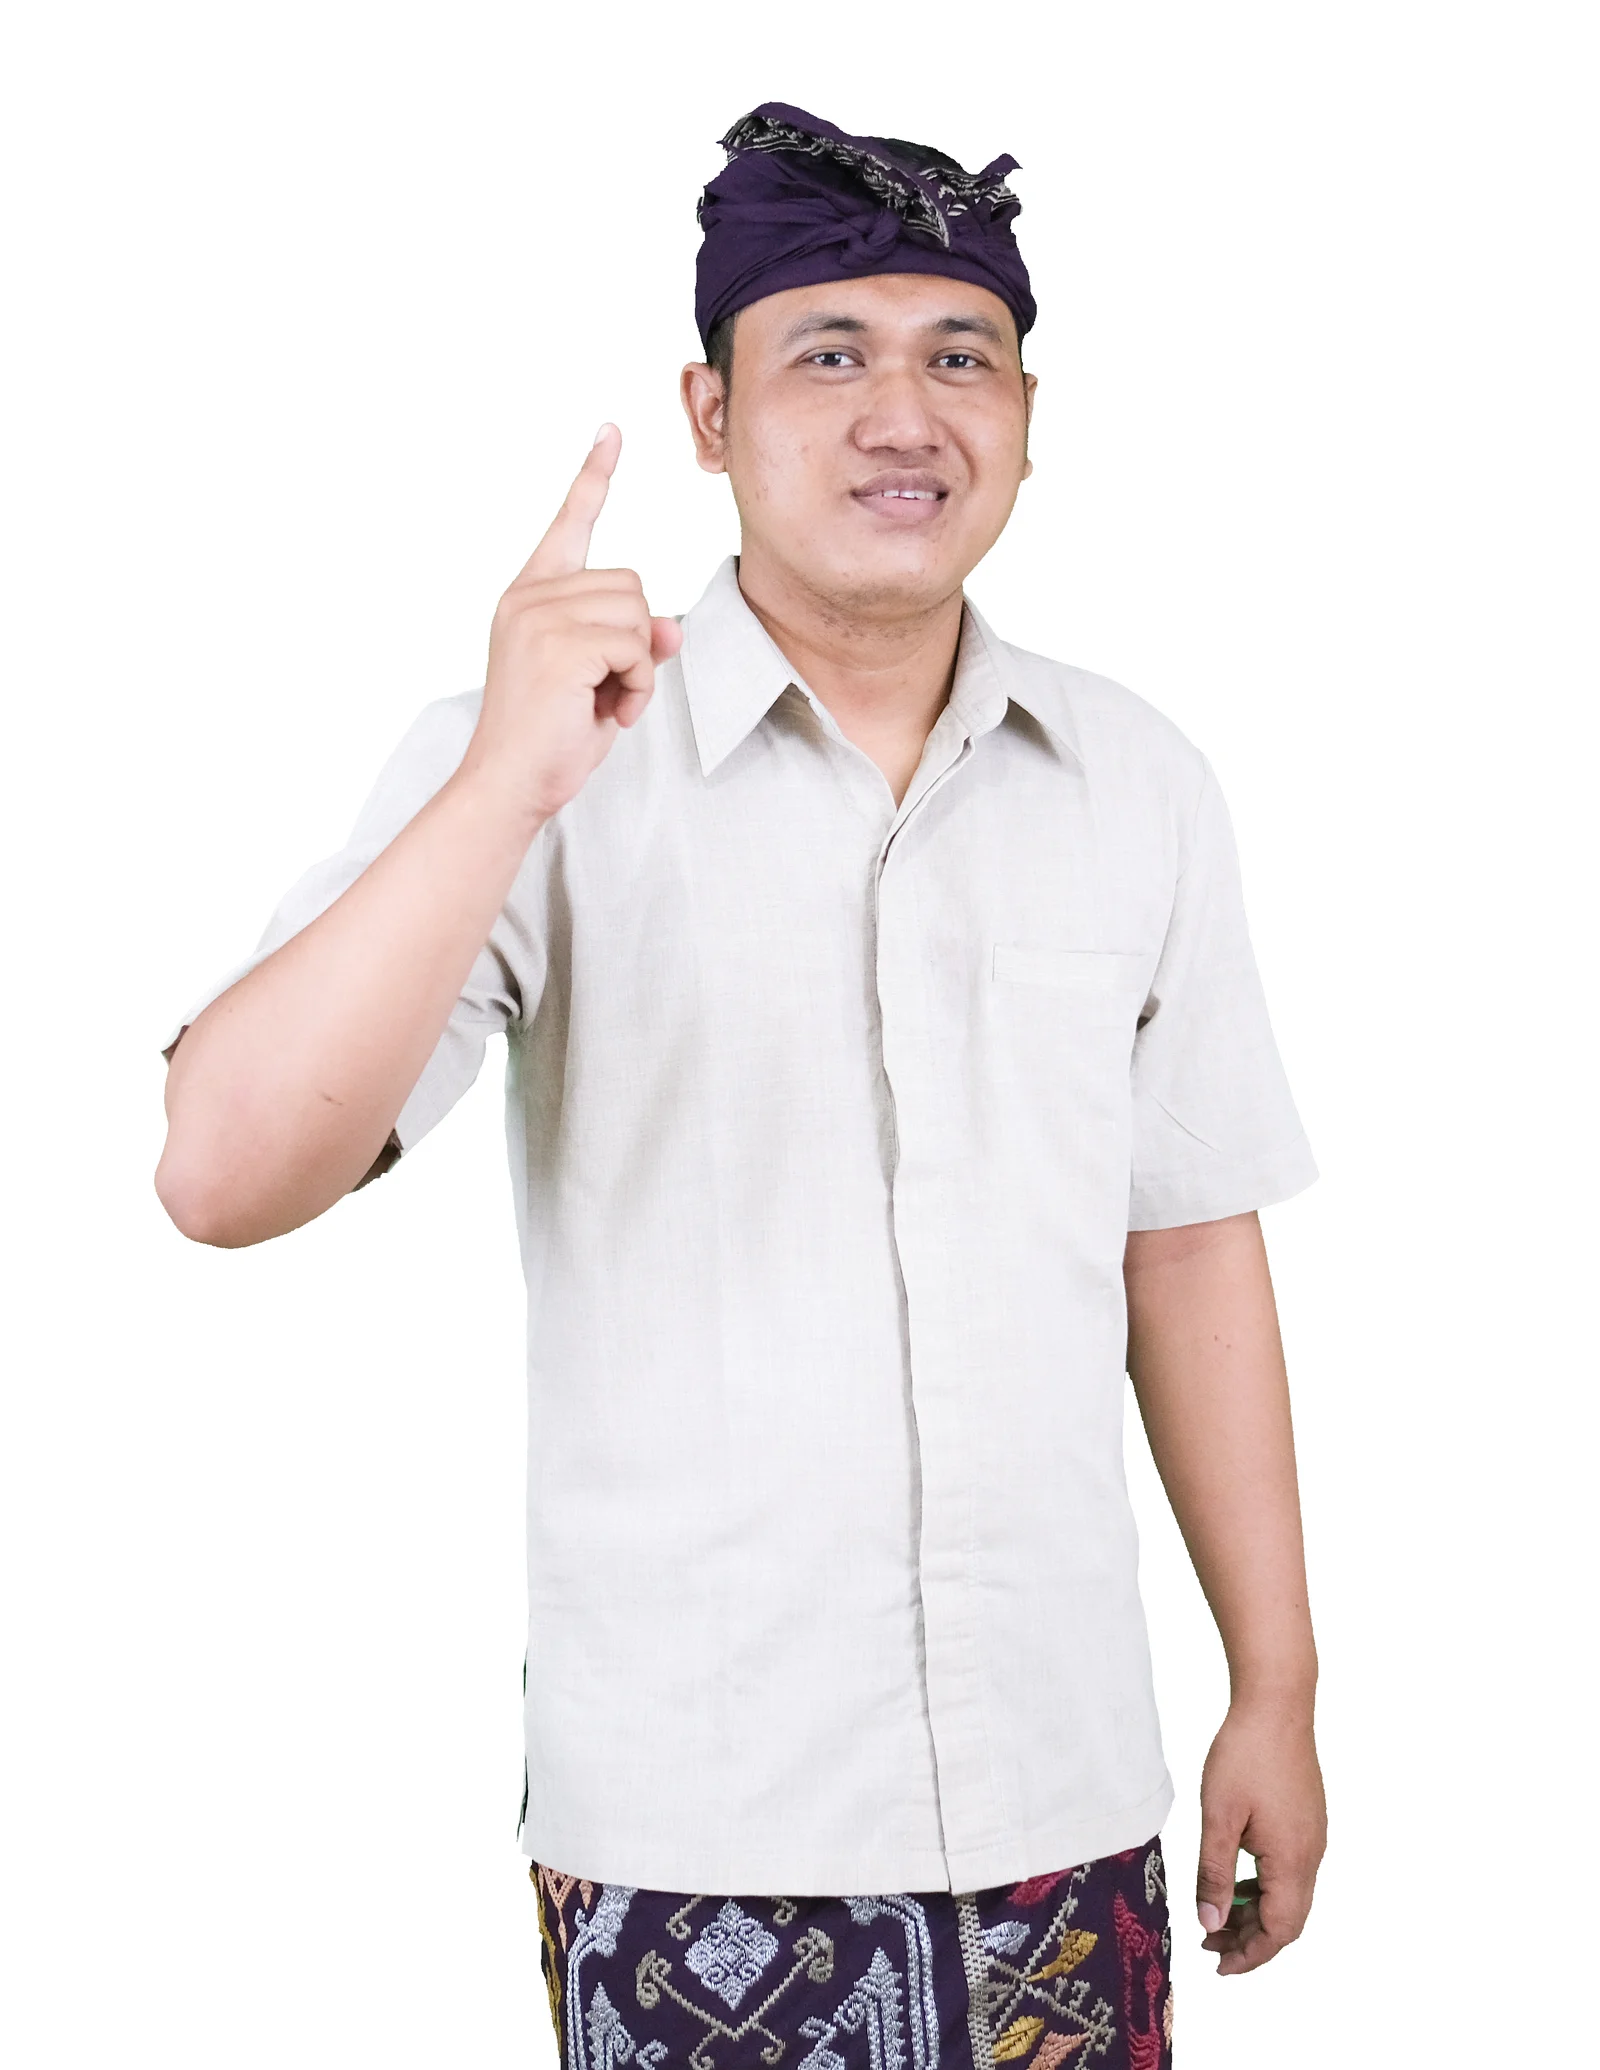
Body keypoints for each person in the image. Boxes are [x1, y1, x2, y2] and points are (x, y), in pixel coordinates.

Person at [156, 101, 1325, 2069]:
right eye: (827, 355)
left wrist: (1272, 1683)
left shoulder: (1138, 786)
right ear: (711, 415)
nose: (902, 415)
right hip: (695, 1849)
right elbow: (220, 1172)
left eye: (958, 356)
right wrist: (500, 785)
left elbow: (1187, 1241)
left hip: (1063, 1816)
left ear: (1027, 416)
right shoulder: (544, 761)